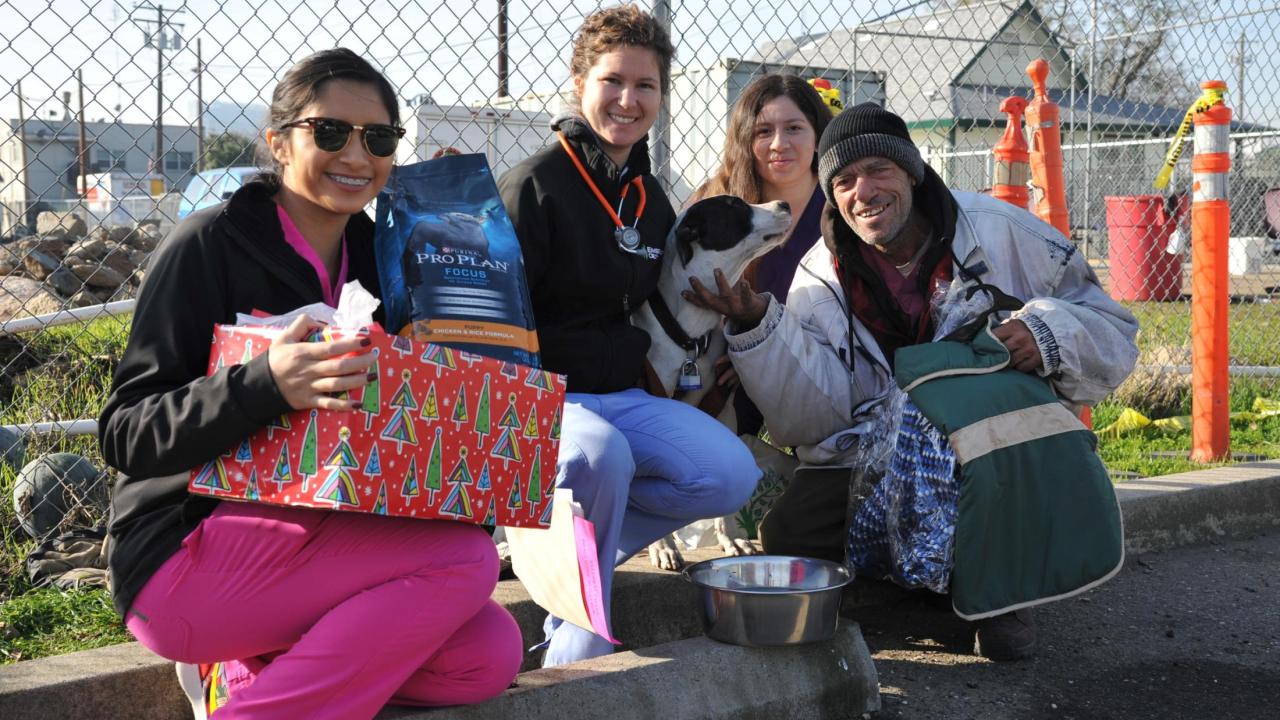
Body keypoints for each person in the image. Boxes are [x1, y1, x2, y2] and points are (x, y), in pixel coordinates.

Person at [98, 49, 522, 719]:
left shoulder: (387, 259)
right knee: (466, 561)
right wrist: (264, 382)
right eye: (330, 132)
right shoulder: (209, 244)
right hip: (184, 551)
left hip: (318, 539)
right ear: (278, 141)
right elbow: (126, 433)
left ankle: (248, 674)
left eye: (378, 138)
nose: (355, 155)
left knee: (486, 654)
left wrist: (448, 235)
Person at [687, 102, 1139, 660]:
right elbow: (816, 418)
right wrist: (759, 324)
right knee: (793, 533)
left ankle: (999, 596)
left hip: (988, 445)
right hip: (875, 454)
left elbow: (1114, 332)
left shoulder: (1000, 231)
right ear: (831, 196)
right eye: (845, 181)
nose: (864, 192)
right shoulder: (817, 279)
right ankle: (931, 596)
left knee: (984, 489)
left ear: (911, 172)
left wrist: (1047, 335)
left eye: (879, 170)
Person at [497, 6, 760, 667]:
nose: (628, 99)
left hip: (620, 395)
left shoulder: (650, 196)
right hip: (548, 398)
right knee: (602, 457)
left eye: (645, 86)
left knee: (730, 473)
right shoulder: (533, 186)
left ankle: (560, 545)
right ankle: (576, 667)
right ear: (580, 82)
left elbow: (670, 299)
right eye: (613, 80)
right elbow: (493, 325)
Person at [690, 74, 832, 434]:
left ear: (817, 136)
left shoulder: (841, 206)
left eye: (794, 128)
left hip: (824, 369)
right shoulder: (715, 203)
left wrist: (766, 357)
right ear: (744, 141)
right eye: (763, 131)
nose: (779, 144)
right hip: (726, 369)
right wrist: (742, 354)